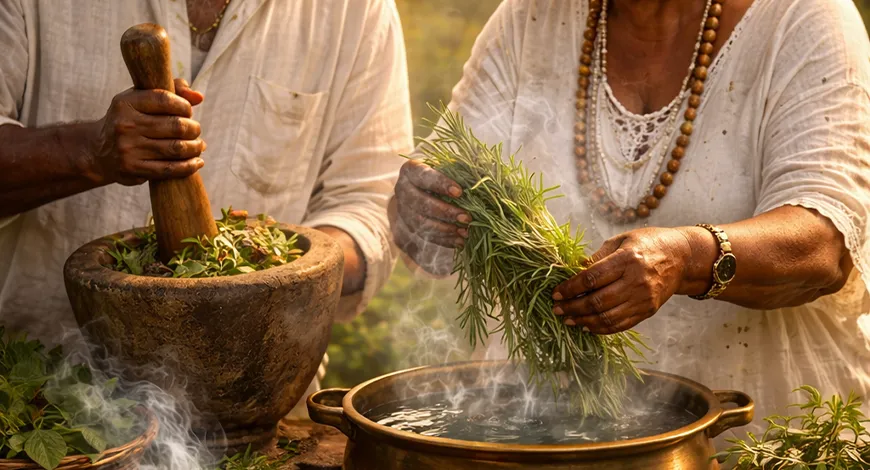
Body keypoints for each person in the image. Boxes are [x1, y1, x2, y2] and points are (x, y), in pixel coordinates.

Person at [391, 0, 870, 446]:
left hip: (759, 439)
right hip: (553, 436)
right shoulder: (531, 17)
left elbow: (825, 245)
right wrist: (421, 211)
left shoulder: (804, 18)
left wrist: (687, 258)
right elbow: (441, 180)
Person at [0, 0, 411, 416]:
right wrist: (89, 151)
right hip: (42, 404)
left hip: (262, 411)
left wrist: (279, 280)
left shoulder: (356, 11)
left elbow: (369, 203)